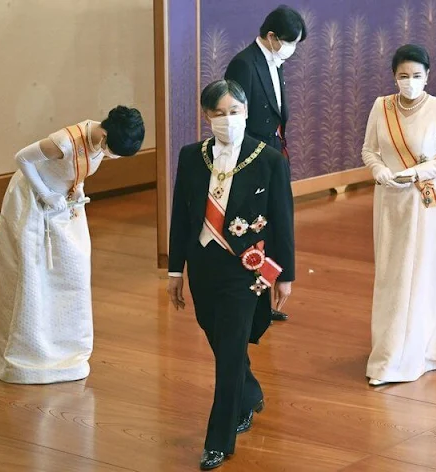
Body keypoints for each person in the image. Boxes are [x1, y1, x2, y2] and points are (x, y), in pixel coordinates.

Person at [167, 80, 295, 470]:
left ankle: (217, 441)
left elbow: (283, 221)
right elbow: (181, 218)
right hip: (204, 266)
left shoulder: (269, 158)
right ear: (207, 116)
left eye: (234, 112)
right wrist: (175, 270)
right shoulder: (191, 156)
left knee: (228, 352)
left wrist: (284, 274)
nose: (227, 120)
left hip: (246, 270)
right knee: (219, 337)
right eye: (218, 113)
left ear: (246, 111)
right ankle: (250, 392)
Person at [0, 106, 145, 384]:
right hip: (33, 201)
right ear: (105, 134)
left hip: (63, 205)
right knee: (31, 272)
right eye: (112, 151)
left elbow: (77, 171)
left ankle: (63, 342)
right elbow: (22, 159)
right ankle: (27, 347)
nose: (110, 156)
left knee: (71, 269)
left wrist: (76, 189)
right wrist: (46, 194)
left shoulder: (100, 142)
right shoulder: (65, 142)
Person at [361, 44, 436, 386]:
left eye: (416, 76)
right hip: (389, 198)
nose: (410, 82)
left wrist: (417, 173)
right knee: (392, 273)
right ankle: (389, 351)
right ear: (394, 76)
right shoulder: (382, 107)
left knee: (420, 273)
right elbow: (369, 149)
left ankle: (421, 351)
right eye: (403, 76)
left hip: (425, 201)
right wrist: (378, 171)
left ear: (427, 76)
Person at [224, 4, 306, 322]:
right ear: (272, 37)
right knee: (253, 229)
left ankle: (266, 300)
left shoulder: (275, 61)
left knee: (274, 226)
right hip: (252, 157)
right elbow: (235, 119)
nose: (292, 50)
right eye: (290, 43)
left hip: (274, 152)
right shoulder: (244, 64)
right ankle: (252, 303)